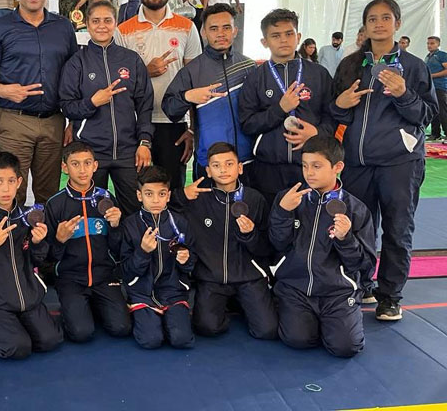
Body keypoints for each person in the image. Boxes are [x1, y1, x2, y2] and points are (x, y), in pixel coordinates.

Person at [332, 0, 437, 320]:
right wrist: (340, 104)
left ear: (397, 23)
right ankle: (362, 283)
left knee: (397, 228)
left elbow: (427, 115)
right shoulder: (350, 65)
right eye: (372, 19)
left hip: (399, 163)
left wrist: (404, 94)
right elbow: (334, 113)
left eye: (386, 18)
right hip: (357, 162)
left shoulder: (414, 66)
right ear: (365, 26)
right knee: (358, 228)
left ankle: (390, 296)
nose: (379, 24)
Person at [0, 0, 78, 205]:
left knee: (49, 194)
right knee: (11, 194)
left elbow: (75, 77)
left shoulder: (63, 27)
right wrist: (3, 90)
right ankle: (12, 231)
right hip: (14, 122)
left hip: (54, 122)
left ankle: (45, 232)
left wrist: (73, 123)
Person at [270, 136, 375, 357]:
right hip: (295, 288)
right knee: (297, 339)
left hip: (337, 292)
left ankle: (339, 319)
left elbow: (363, 264)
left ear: (338, 167)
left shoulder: (356, 209)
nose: (309, 173)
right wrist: (283, 212)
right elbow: (277, 243)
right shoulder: (289, 199)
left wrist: (345, 239)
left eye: (317, 166)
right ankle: (311, 321)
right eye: (305, 166)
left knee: (346, 347)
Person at [0, 152, 63, 359]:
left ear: (19, 182)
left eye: (11, 181)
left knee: (51, 340)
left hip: (29, 298)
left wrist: (37, 244)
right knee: (17, 348)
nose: (6, 188)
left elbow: (39, 261)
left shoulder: (29, 218)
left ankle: (18, 325)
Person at [174, 142, 277, 340]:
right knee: (207, 328)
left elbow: (267, 247)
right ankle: (226, 304)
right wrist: (181, 195)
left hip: (249, 277)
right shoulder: (197, 199)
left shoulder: (254, 199)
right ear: (208, 171)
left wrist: (250, 234)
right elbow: (162, 210)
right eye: (216, 165)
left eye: (229, 164)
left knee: (267, 331)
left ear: (240, 168)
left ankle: (241, 302)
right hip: (212, 278)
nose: (223, 169)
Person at [59, 1, 153, 214]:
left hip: (128, 152)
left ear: (115, 22)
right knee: (92, 212)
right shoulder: (77, 62)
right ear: (87, 24)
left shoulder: (131, 60)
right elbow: (67, 107)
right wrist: (92, 102)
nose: (101, 26)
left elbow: (145, 106)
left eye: (107, 20)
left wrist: (144, 142)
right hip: (91, 153)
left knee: (135, 210)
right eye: (96, 21)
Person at [116, 0, 202, 190]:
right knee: (136, 191)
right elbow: (117, 82)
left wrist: (192, 129)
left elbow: (195, 83)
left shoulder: (187, 27)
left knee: (172, 190)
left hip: (173, 122)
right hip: (134, 123)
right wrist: (145, 72)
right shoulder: (123, 31)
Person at [239, 9, 335, 206]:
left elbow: (332, 116)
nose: (283, 40)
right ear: (264, 42)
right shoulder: (255, 78)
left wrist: (316, 133)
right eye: (275, 36)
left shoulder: (319, 74)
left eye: (289, 34)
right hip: (268, 169)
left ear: (298, 37)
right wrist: (280, 109)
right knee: (270, 220)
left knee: (310, 221)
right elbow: (247, 124)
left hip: (310, 167)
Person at [44, 142, 131, 342]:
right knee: (81, 333)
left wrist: (115, 227)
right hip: (70, 278)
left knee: (121, 328)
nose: (82, 170)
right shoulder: (55, 204)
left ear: (95, 166)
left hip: (104, 276)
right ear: (65, 167)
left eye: (87, 163)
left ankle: (92, 305)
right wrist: (59, 240)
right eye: (75, 164)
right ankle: (79, 306)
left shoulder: (107, 199)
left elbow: (118, 249)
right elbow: (46, 257)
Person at [162, 3, 255, 180]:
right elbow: (170, 109)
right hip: (209, 163)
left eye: (226, 27)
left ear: (235, 31)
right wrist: (188, 96)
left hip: (247, 161)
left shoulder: (249, 67)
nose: (220, 33)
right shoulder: (192, 70)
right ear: (203, 32)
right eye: (213, 29)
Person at [120, 166, 195, 349]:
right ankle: (143, 316)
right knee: (151, 340)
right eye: (149, 194)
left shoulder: (180, 223)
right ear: (139, 196)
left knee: (181, 339)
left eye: (161, 194)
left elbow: (192, 262)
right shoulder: (130, 225)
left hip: (173, 292)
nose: (155, 200)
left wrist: (186, 260)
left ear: (168, 196)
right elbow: (125, 270)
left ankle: (170, 319)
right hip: (141, 293)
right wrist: (142, 252)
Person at [425, 36, 447, 141]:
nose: (429, 45)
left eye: (432, 43)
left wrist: (432, 76)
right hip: (430, 87)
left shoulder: (442, 55)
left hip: (440, 87)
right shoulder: (428, 56)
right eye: (428, 43)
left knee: (443, 112)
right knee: (433, 111)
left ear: (438, 44)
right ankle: (435, 133)